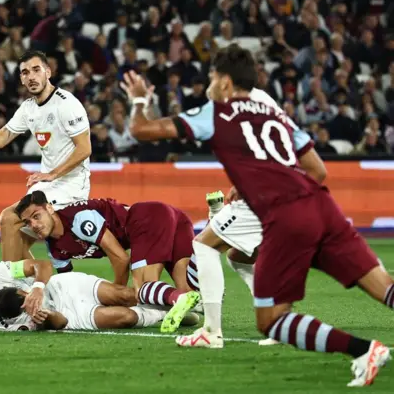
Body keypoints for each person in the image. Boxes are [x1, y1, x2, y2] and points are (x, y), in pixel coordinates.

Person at [122, 45, 392, 387]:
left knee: (271, 320)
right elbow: (317, 169)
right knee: (384, 288)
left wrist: (139, 100)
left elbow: (142, 131)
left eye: (211, 76)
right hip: (323, 207)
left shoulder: (217, 112)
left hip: (286, 217)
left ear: (223, 82)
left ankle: (364, 350)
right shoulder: (273, 110)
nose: (208, 83)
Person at [0, 50, 92, 315]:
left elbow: (84, 149)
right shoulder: (29, 108)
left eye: (36, 70)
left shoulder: (66, 103)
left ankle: (9, 291)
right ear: (21, 79)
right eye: (25, 72)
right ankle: (30, 296)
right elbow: (1, 138)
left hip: (71, 185)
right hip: (47, 186)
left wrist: (53, 173)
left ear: (48, 72)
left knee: (9, 219)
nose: (31, 76)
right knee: (15, 235)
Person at [191, 85, 328, 347]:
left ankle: (211, 332)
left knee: (203, 244)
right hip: (277, 201)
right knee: (239, 257)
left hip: (267, 202)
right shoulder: (263, 106)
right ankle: (279, 320)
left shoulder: (247, 108)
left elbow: (310, 170)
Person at [13, 190, 200, 334]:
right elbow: (69, 284)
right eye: (27, 223)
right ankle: (206, 246)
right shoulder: (54, 249)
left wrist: (115, 295)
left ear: (50, 208)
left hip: (147, 218)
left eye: (36, 216)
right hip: (172, 218)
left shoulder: (78, 219)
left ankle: (172, 305)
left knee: (144, 290)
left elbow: (121, 258)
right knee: (188, 293)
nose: (34, 225)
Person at [0, 260, 167, 331]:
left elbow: (43, 265)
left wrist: (37, 287)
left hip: (64, 286)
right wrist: (47, 315)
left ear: (18, 289)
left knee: (126, 296)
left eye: (25, 294)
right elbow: (61, 323)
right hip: (69, 314)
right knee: (126, 317)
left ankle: (171, 300)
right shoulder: (7, 325)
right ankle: (165, 313)